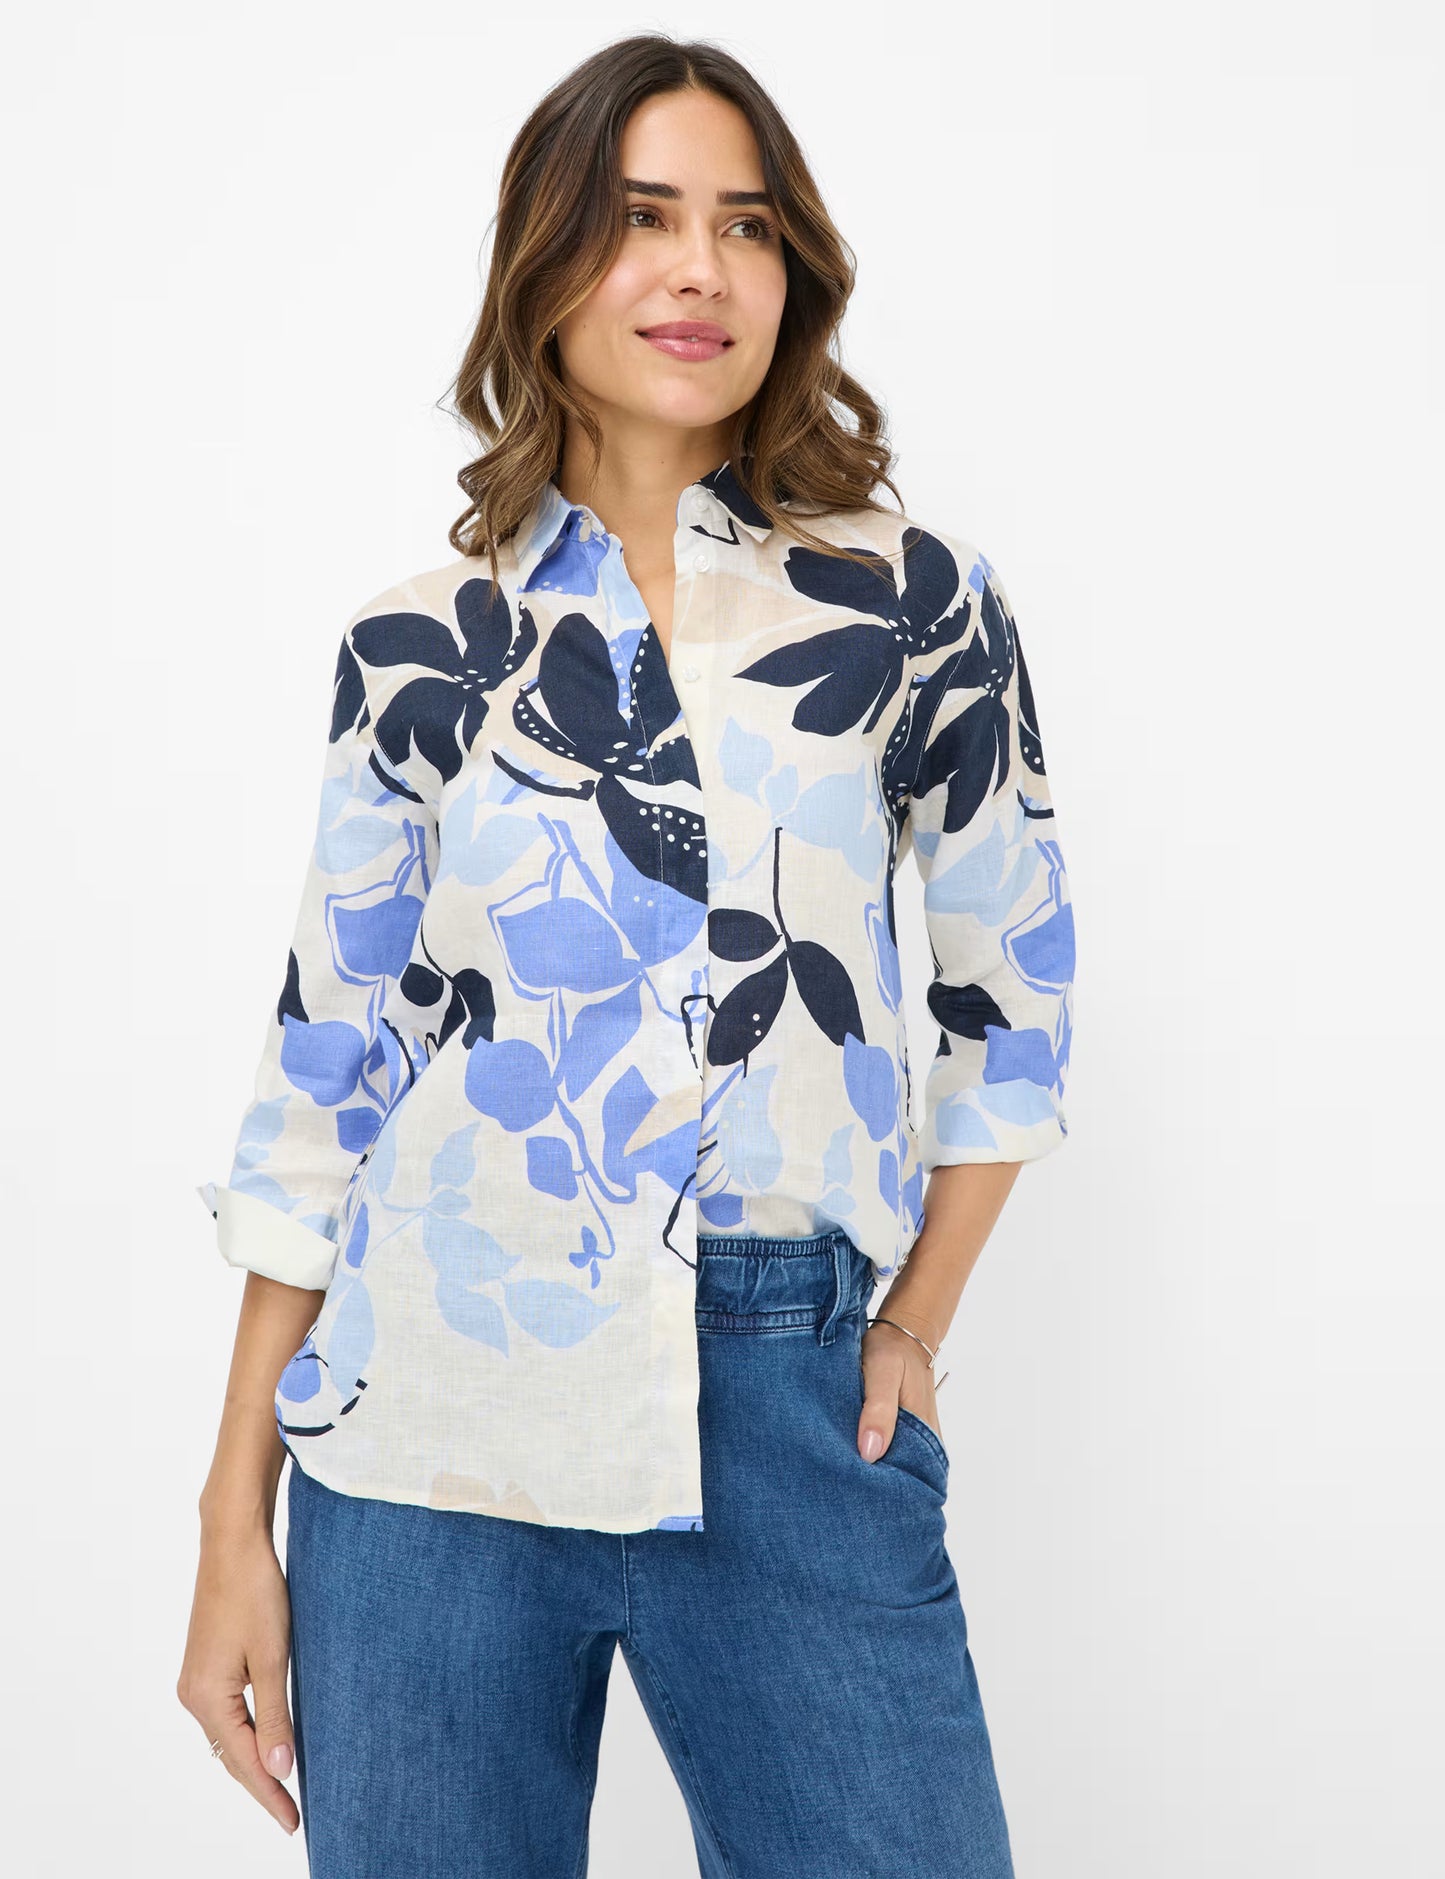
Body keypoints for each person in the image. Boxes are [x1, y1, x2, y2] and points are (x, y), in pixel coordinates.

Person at [176, 33, 1075, 1879]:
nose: (699, 270)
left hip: (784, 1400)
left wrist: (909, 1327)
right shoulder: (421, 645)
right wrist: (229, 1523)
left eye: (746, 227)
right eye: (644, 217)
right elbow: (326, 1076)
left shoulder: (912, 604)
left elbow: (1013, 1001)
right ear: (546, 258)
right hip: (425, 1432)